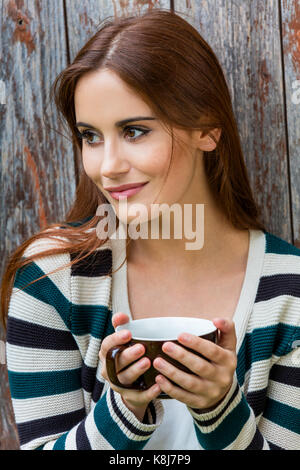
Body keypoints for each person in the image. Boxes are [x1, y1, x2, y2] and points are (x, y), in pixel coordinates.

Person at [1, 9, 299, 450]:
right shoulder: (51, 280)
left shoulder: (290, 294)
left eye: (135, 131)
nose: (108, 167)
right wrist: (122, 410)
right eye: (91, 136)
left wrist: (221, 409)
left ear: (208, 129)